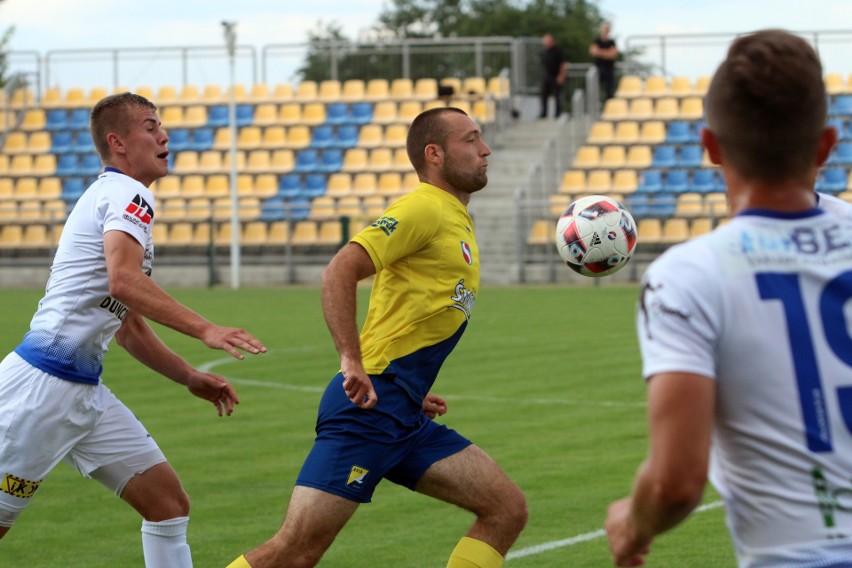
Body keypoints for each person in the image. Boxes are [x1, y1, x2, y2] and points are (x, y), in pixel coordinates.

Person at [227, 106, 528, 568]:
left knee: (505, 509)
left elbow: (414, 310)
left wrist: (410, 385)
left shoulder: (454, 216)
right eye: (471, 140)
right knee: (294, 551)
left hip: (402, 408)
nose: (485, 149)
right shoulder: (423, 207)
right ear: (435, 154)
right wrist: (352, 359)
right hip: (368, 410)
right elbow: (340, 270)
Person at [604, 29, 852, 567]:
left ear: (711, 146)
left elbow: (676, 482)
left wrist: (632, 521)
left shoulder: (688, 276)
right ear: (827, 145)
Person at [0, 92, 267, 567]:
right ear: (117, 142)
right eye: (150, 126)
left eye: (160, 125)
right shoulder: (129, 194)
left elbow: (128, 328)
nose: (164, 135)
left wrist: (190, 376)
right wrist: (205, 329)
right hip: (39, 391)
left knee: (167, 506)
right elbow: (124, 281)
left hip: (81, 391)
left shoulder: (115, 195)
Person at [539, 33, 568, 119]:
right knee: (543, 95)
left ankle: (558, 113)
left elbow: (563, 64)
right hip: (547, 75)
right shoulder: (544, 51)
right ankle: (543, 113)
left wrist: (561, 76)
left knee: (557, 95)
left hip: (556, 75)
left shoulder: (558, 51)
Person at [589, 23, 618, 101]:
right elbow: (593, 51)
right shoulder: (597, 41)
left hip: (609, 69)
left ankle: (609, 107)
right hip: (598, 69)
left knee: (609, 90)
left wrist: (600, 52)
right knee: (594, 88)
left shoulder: (612, 42)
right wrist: (606, 53)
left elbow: (613, 54)